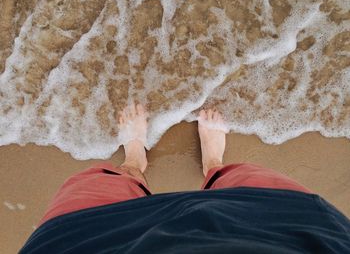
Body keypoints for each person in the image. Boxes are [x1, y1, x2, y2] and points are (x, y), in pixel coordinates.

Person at [20, 104, 350, 253]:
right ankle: (213, 166)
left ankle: (134, 162)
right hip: (286, 238)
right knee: (250, 182)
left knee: (95, 186)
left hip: (87, 243)